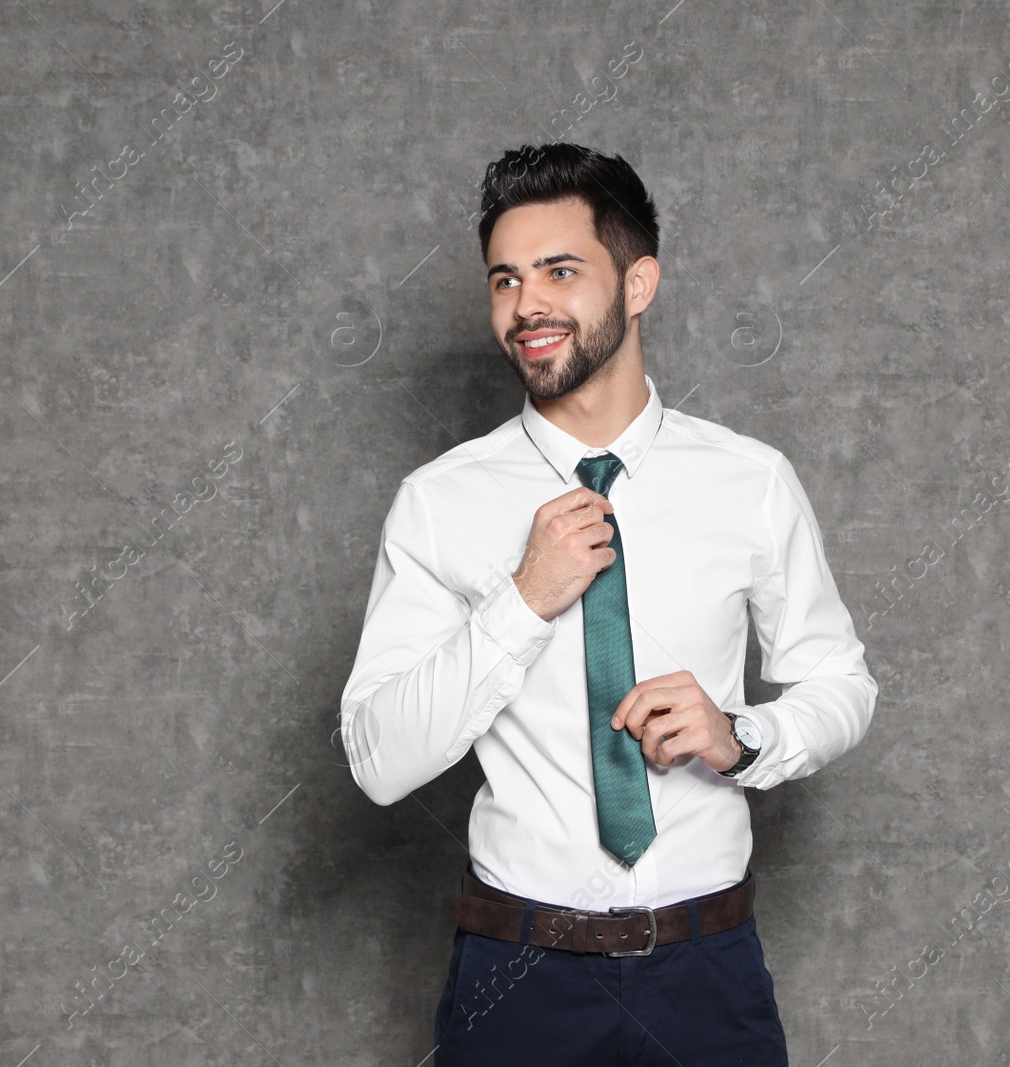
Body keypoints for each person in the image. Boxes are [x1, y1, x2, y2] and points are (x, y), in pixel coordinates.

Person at [339, 142, 878, 1065]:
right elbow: (378, 758)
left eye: (560, 270)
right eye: (505, 279)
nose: (527, 305)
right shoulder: (440, 500)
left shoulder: (749, 480)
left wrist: (741, 735)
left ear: (638, 284)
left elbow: (841, 684)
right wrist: (521, 601)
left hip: (707, 974)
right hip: (517, 983)